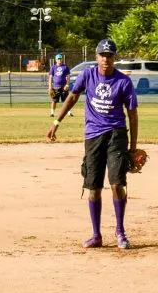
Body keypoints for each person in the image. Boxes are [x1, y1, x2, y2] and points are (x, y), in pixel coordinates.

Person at [47, 38, 140, 250]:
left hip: (116, 135)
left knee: (117, 184)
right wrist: (56, 122)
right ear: (96, 56)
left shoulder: (123, 82)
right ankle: (96, 234)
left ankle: (120, 231)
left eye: (110, 55)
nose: (106, 59)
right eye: (102, 55)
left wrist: (132, 148)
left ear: (114, 58)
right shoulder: (88, 75)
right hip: (93, 136)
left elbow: (132, 115)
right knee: (93, 187)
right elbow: (72, 97)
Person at [47, 53, 72, 118]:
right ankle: (52, 113)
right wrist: (50, 87)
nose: (60, 60)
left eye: (60, 59)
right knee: (54, 100)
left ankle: (69, 112)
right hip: (55, 86)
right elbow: (50, 77)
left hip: (64, 86)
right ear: (56, 60)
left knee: (66, 100)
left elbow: (68, 77)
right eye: (58, 59)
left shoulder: (65, 67)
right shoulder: (53, 67)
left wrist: (67, 84)